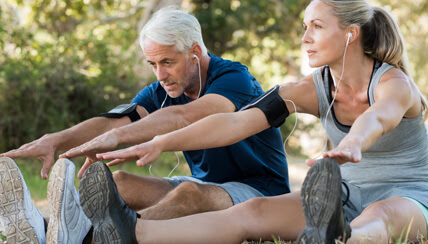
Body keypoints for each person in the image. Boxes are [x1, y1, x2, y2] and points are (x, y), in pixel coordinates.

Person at [81, 0, 428, 243]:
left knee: (379, 218)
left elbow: (378, 118)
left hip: (406, 194)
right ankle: (135, 233)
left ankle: (341, 237)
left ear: (351, 34)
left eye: (317, 27)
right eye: (305, 26)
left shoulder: (394, 83)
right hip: (343, 196)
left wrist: (352, 142)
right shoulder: (308, 89)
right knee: (253, 210)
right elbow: (235, 123)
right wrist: (162, 142)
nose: (305, 37)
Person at [0, 8, 289, 243]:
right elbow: (114, 121)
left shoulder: (234, 78)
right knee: (120, 182)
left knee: (188, 194)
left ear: (195, 52)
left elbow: (186, 117)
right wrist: (56, 140)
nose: (160, 74)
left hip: (261, 192)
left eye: (167, 62)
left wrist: (118, 137)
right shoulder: (163, 90)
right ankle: (43, 228)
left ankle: (104, 238)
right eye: (152, 64)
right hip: (208, 187)